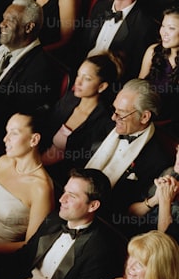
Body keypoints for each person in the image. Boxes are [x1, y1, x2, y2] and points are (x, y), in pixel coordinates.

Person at [86, 78, 172, 226]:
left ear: (145, 117)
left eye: (122, 114)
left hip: (104, 221)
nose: (114, 117)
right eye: (115, 110)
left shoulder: (156, 160)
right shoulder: (104, 124)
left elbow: (128, 210)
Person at [0, 112, 52, 258]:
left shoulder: (41, 188)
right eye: (7, 132)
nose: (5, 139)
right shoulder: (3, 162)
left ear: (34, 139)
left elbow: (29, 245)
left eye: (14, 133)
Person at [0, 1, 61, 131]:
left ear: (28, 27)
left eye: (10, 20)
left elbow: (11, 117)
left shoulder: (41, 71)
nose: (2, 24)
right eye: (3, 18)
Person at [40, 54, 118, 181]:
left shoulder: (104, 122)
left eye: (87, 78)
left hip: (59, 177)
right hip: (38, 159)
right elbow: (45, 128)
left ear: (102, 86)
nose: (78, 82)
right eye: (78, 75)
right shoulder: (69, 99)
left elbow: (82, 164)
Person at [139, 6, 179, 122]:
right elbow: (139, 89)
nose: (164, 33)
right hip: (145, 118)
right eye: (163, 26)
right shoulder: (153, 51)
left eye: (171, 28)